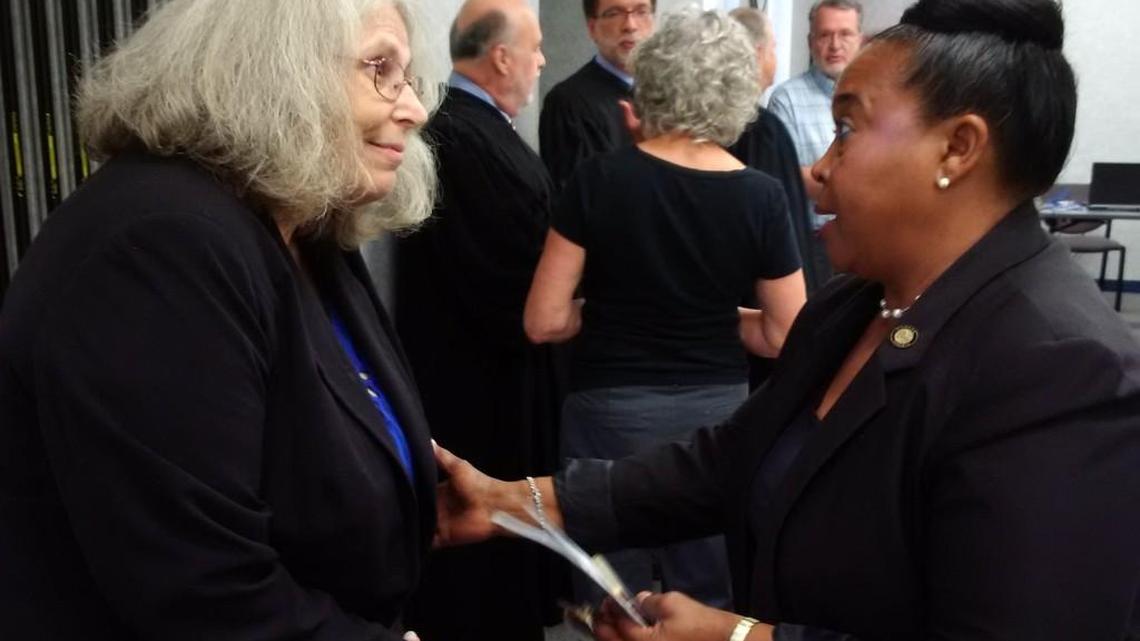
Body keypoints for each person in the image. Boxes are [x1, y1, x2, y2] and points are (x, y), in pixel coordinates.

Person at [434, 0, 1140, 639]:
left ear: (957, 148)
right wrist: (521, 500)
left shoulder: (1061, 368)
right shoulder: (851, 305)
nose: (821, 168)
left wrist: (740, 637)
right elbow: (729, 459)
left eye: (847, 130)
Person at [0, 0, 443, 638]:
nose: (414, 108)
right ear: (275, 69)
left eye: (407, 76)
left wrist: (409, 493)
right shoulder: (164, 243)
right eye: (380, 67)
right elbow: (201, 590)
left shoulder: (300, 226)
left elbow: (307, 452)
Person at [523, 9, 807, 613]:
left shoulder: (597, 180)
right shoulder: (762, 195)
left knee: (609, 593)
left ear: (650, 80)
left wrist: (608, 311)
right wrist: (715, 317)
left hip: (607, 410)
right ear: (737, 90)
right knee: (702, 591)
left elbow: (544, 320)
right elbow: (786, 335)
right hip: (713, 418)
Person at [394, 1, 563, 639]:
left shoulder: (477, 129)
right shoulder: (461, 137)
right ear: (500, 57)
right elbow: (503, 278)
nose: (542, 60)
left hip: (493, 381)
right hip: (478, 391)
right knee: (482, 571)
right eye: (536, 46)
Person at [728, 7, 824, 297]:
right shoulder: (762, 131)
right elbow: (782, 224)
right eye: (773, 47)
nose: (775, 56)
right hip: (769, 295)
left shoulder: (711, 127)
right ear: (757, 53)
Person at [768, 0, 864, 285]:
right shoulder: (786, 100)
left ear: (861, 39)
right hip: (813, 243)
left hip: (866, 239)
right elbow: (788, 178)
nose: (835, 45)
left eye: (845, 34)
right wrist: (861, 183)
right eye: (825, 35)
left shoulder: (877, 98)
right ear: (811, 42)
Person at [539, 0, 655, 190]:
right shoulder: (568, 103)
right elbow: (576, 196)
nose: (630, 25)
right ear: (592, 28)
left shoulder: (672, 92)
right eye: (614, 13)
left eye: (641, 11)